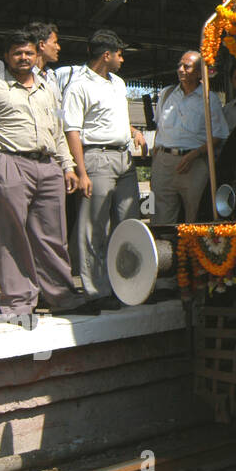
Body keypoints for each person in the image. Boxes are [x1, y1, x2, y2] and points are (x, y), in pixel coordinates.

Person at [0, 31, 94, 317]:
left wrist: (67, 165)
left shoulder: (49, 89)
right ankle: (18, 303)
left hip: (47, 167)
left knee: (52, 234)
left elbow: (57, 132)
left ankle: (61, 295)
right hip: (7, 164)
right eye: (17, 53)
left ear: (37, 55)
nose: (23, 58)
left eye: (28, 53)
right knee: (10, 234)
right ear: (6, 56)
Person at [63, 31, 147, 306]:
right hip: (96, 159)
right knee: (94, 228)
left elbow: (113, 118)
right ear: (106, 55)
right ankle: (96, 291)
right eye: (120, 54)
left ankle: (128, 286)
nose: (122, 59)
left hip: (124, 159)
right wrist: (82, 171)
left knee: (128, 223)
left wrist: (133, 130)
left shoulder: (119, 83)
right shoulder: (78, 86)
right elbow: (72, 130)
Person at [150, 50, 228, 226]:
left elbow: (218, 136)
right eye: (179, 65)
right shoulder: (166, 94)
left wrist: (193, 155)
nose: (181, 69)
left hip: (194, 163)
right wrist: (156, 155)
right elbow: (158, 127)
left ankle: (191, 252)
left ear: (200, 73)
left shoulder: (209, 99)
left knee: (195, 215)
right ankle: (165, 250)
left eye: (187, 66)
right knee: (161, 215)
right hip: (164, 162)